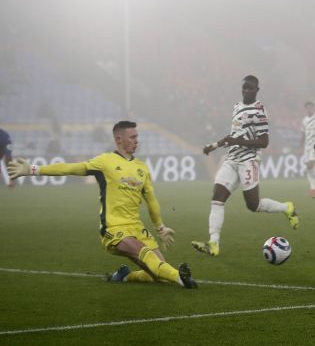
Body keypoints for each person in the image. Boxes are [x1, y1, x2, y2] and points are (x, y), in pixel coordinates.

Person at [6, 121, 197, 288]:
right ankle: (181, 278)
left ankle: (124, 276)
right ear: (119, 139)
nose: (136, 140)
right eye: (132, 137)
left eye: (137, 136)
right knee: (147, 255)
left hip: (137, 228)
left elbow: (151, 200)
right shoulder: (105, 161)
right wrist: (32, 169)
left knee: (159, 276)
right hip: (114, 229)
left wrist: (160, 227)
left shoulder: (142, 167)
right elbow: (71, 168)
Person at [192, 75, 299, 257]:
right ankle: (214, 243)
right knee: (217, 198)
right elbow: (233, 135)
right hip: (231, 159)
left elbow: (264, 142)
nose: (246, 91)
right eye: (244, 87)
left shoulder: (260, 111)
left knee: (253, 205)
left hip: (248, 161)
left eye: (250, 88)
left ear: (257, 90)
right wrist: (214, 146)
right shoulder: (237, 107)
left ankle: (286, 207)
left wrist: (241, 142)